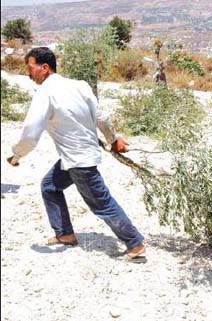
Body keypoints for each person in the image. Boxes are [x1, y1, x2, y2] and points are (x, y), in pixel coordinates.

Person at [6, 47, 146, 261]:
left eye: (31, 68)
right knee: (50, 187)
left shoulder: (45, 93)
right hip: (75, 157)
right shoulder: (79, 85)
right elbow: (101, 116)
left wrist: (16, 156)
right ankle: (65, 234)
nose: (28, 73)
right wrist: (113, 138)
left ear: (44, 68)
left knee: (102, 203)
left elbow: (30, 133)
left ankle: (134, 243)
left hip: (79, 161)